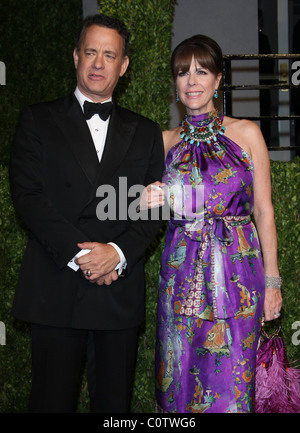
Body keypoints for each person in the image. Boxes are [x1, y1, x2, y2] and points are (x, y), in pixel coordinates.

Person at [9, 13, 164, 413]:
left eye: (109, 55)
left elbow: (152, 206)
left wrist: (116, 252)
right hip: (56, 284)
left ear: (124, 66)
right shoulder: (37, 119)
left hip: (117, 289)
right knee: (51, 403)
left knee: (114, 408)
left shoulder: (145, 131)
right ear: (76, 55)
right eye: (91, 52)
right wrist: (83, 256)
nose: (98, 63)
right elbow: (28, 196)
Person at [142, 34, 282, 413]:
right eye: (183, 72)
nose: (192, 80)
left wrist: (272, 283)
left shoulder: (247, 133)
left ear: (218, 80)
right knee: (179, 376)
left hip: (238, 272)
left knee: (232, 379)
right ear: (175, 82)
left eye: (202, 71)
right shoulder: (164, 142)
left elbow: (264, 211)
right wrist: (147, 200)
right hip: (180, 272)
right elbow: (141, 210)